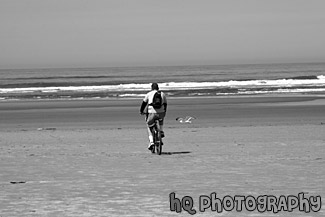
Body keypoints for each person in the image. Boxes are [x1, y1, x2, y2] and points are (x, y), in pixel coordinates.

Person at [140, 83, 167, 150]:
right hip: (161, 113)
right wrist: (164, 111)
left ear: (151, 88)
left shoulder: (149, 94)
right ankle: (161, 131)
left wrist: (141, 111)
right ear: (158, 88)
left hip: (151, 113)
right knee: (161, 120)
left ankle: (151, 142)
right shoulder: (162, 94)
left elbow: (144, 103)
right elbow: (165, 104)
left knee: (149, 125)